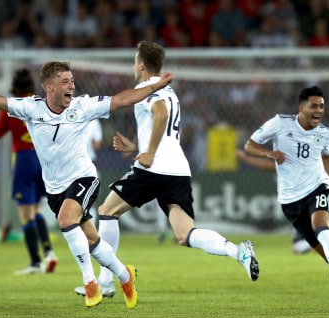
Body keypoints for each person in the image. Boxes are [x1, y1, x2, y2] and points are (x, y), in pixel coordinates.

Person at [0, 60, 173, 308]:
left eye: (72, 81)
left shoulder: (83, 106)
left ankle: (90, 283)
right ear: (49, 87)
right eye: (65, 82)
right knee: (92, 242)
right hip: (55, 187)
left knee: (65, 221)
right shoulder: (31, 108)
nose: (71, 86)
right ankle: (125, 276)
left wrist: (155, 86)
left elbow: (123, 99)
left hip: (84, 177)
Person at [73, 40, 258, 299]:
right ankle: (238, 251)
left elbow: (159, 114)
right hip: (178, 170)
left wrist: (147, 153)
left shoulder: (147, 88)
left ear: (141, 65)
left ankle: (105, 282)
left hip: (154, 168)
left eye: (134, 62)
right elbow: (167, 134)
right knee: (185, 234)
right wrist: (136, 146)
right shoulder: (171, 93)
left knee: (106, 212)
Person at [243, 86, 329, 297]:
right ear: (301, 107)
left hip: (317, 187)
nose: (319, 110)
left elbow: (326, 158)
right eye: (314, 106)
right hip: (290, 199)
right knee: (326, 252)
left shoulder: (324, 133)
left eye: (322, 106)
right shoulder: (280, 123)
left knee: (322, 227)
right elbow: (249, 145)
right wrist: (269, 153)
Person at [236, 149, 329, 254]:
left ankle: (314, 245)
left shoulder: (303, 164)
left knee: (299, 247)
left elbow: (268, 166)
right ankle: (327, 244)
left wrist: (244, 158)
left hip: (307, 209)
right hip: (326, 207)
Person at [0, 68, 58, 276]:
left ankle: (35, 262)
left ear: (13, 86)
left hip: (23, 159)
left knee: (25, 214)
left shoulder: (11, 107)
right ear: (32, 86)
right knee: (36, 210)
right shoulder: (40, 103)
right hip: (42, 159)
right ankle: (49, 253)